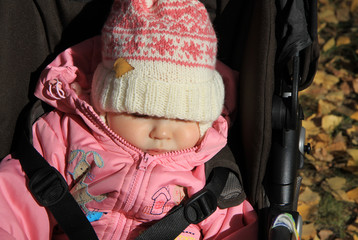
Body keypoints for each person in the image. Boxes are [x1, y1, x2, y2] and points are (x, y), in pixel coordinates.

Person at [0, 0, 258, 239]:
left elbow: (231, 227)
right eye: (140, 113)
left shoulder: (207, 168)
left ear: (203, 121)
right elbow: (17, 196)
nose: (162, 132)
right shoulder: (66, 135)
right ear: (105, 104)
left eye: (181, 118)